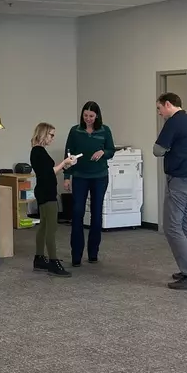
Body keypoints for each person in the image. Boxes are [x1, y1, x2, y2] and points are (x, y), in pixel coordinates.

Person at [153, 92, 187, 290]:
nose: (159, 113)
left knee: (172, 227)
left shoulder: (174, 122)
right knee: (183, 226)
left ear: (168, 104)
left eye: (159, 108)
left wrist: (169, 149)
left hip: (180, 181)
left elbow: (157, 150)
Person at [63, 101, 116, 267]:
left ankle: (93, 253)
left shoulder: (105, 130)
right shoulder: (75, 131)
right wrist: (66, 176)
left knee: (96, 214)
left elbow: (111, 151)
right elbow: (68, 154)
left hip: (100, 177)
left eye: (91, 116)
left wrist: (103, 152)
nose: (88, 119)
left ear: (97, 116)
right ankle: (76, 255)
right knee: (77, 212)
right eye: (85, 115)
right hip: (80, 176)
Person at [30, 123, 80, 277]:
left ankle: (39, 258)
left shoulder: (38, 151)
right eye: (51, 135)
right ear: (43, 134)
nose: (53, 138)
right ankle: (53, 261)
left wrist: (65, 166)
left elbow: (50, 172)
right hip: (46, 193)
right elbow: (48, 173)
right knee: (51, 228)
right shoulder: (38, 151)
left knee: (44, 226)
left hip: (45, 191)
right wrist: (64, 163)